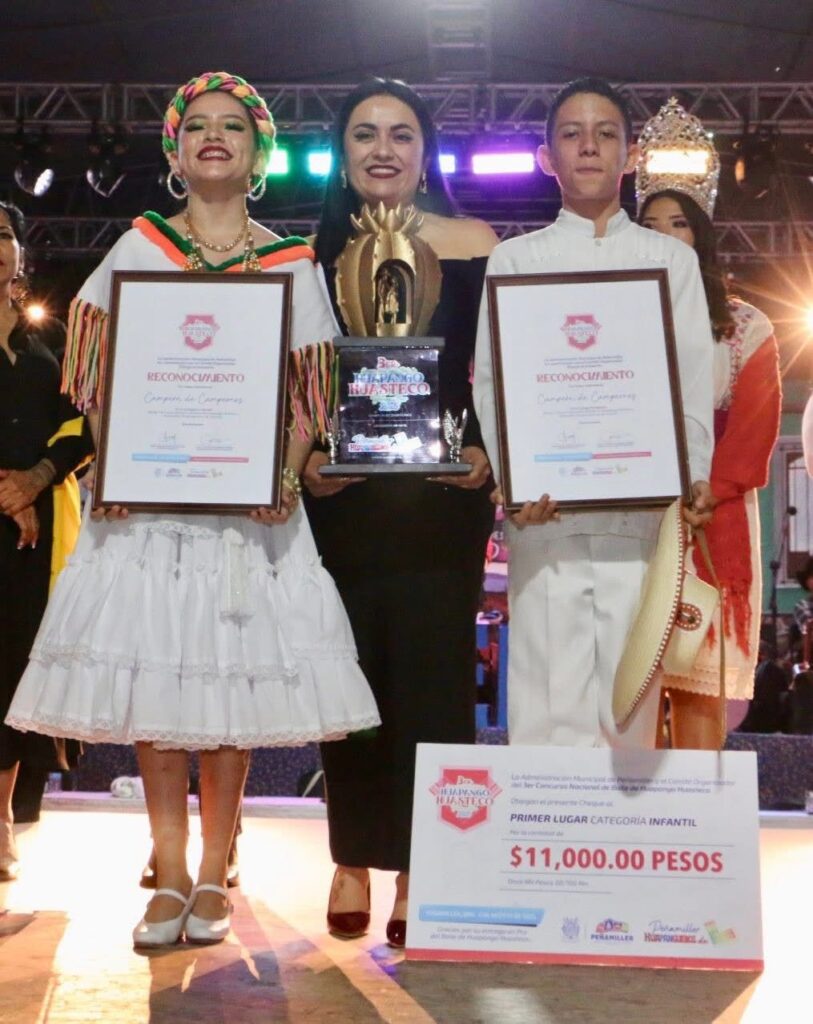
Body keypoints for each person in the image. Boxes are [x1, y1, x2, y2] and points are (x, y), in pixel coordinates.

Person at [6, 72, 379, 944]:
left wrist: (284, 477)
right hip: (152, 514)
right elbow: (98, 376)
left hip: (248, 517)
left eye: (233, 127)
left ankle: (214, 873)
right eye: (197, 126)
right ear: (175, 151)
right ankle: (168, 874)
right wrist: (116, 468)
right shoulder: (138, 248)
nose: (215, 136)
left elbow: (308, 393)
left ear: (259, 153)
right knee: (160, 686)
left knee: (226, 695)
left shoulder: (289, 263)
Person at [304, 77, 497, 946]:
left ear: (425, 153)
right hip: (342, 501)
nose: (382, 149)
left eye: (401, 134)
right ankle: (350, 857)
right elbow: (290, 379)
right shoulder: (306, 257)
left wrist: (488, 452)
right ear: (340, 154)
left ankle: (424, 867)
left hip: (441, 499)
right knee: (346, 682)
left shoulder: (475, 244)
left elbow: (497, 369)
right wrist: (301, 462)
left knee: (433, 681)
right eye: (363, 134)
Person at [473, 77, 715, 749]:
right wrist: (516, 480)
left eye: (605, 134)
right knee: (542, 707)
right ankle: (543, 822)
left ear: (630, 156)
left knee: (628, 712)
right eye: (572, 134)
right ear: (546, 157)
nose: (588, 147)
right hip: (546, 516)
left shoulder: (671, 262)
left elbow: (692, 379)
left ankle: (620, 824)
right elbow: (493, 383)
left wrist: (692, 474)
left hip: (640, 516)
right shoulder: (514, 260)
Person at [638, 106, 781, 750]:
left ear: (702, 232)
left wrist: (705, 492)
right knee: (629, 701)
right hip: (632, 523)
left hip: (710, 521)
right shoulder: (614, 318)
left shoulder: (746, 326)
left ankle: (696, 811)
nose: (668, 236)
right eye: (651, 225)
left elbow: (752, 434)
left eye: (680, 223)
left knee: (697, 701)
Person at [0, 202, 93, 881]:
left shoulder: (47, 348)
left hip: (28, 539)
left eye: (3, 234)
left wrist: (33, 481)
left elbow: (81, 427)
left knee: (12, 678)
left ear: (20, 259)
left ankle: (2, 821)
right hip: (15, 515)